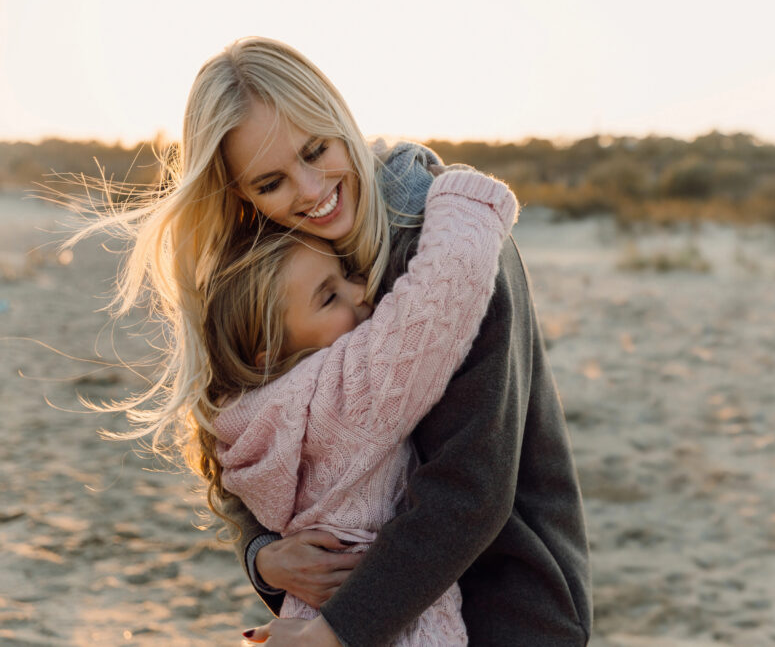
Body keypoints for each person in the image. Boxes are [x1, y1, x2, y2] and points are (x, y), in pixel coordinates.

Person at [81, 36, 591, 646]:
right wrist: (262, 554)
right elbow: (260, 430)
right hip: (357, 612)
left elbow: (472, 486)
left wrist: (334, 634)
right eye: (270, 182)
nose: (309, 189)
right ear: (240, 193)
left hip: (505, 605)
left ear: (338, 115)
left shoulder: (456, 248)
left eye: (316, 149)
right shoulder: (278, 265)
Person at [206, 166, 518, 645]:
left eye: (347, 274)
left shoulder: (240, 422)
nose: (363, 292)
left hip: (310, 616)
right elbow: (447, 283)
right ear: (269, 349)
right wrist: (455, 189)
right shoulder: (342, 396)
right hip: (394, 628)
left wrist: (260, 556)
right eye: (329, 297)